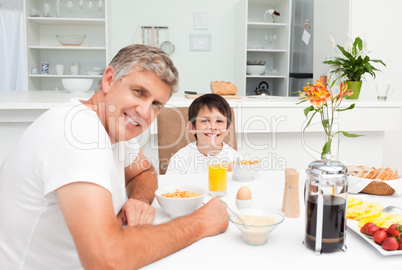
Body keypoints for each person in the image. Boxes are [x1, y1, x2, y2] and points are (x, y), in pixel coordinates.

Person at [0, 45, 228, 269]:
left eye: (156, 104)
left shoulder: (114, 129)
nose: (145, 112)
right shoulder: (80, 132)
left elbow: (144, 171)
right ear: (109, 80)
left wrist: (138, 199)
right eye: (139, 92)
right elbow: (107, 260)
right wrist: (200, 223)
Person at [166, 93, 239, 174]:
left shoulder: (236, 160)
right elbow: (171, 185)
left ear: (227, 129)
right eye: (205, 121)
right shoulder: (179, 160)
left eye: (219, 121)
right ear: (193, 127)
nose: (212, 127)